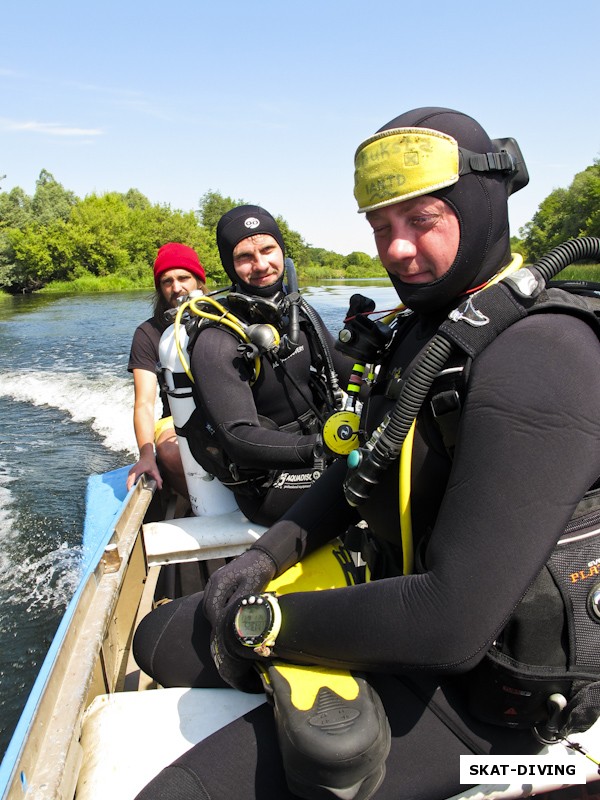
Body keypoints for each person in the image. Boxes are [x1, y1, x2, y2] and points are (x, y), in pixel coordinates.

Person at [133, 109, 600, 800]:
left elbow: (452, 622)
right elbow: (360, 471)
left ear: (480, 204)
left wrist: (263, 623)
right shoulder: (424, 332)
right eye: (382, 227)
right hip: (391, 605)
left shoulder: (543, 355)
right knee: (156, 638)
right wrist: (265, 558)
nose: (399, 249)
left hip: (488, 706)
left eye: (423, 220)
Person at [178, 204, 354, 525]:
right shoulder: (218, 338)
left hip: (320, 452)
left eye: (268, 249)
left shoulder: (299, 313)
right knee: (367, 483)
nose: (261, 265)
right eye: (245, 256)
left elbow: (349, 372)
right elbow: (239, 438)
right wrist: (322, 448)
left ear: (282, 252)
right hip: (270, 484)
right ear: (230, 266)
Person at [126, 242, 206, 499]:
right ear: (159, 289)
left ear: (198, 281)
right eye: (167, 281)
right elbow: (144, 403)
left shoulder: (222, 318)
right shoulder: (147, 334)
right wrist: (146, 456)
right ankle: (193, 503)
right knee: (171, 453)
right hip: (175, 418)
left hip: (224, 411)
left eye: (184, 278)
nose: (176, 287)